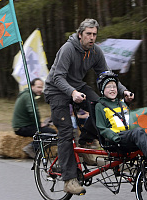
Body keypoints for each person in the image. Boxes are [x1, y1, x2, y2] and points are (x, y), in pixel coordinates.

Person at [44, 18, 134, 195]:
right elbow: (57, 77)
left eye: (94, 34)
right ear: (80, 35)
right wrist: (72, 93)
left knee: (101, 107)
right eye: (88, 34)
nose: (91, 38)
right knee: (66, 130)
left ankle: (85, 145)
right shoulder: (68, 49)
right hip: (56, 91)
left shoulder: (95, 51)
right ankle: (69, 179)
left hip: (77, 86)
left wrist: (123, 91)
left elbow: (106, 76)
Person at [95, 71, 147, 168]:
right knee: (137, 132)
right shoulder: (99, 106)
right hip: (117, 140)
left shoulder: (122, 103)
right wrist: (114, 137)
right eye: (108, 87)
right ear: (102, 89)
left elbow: (130, 119)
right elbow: (102, 128)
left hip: (130, 135)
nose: (112, 89)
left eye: (114, 86)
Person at [12, 78, 57, 158]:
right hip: (23, 127)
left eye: (42, 87)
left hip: (22, 126)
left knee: (45, 129)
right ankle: (32, 147)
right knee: (51, 133)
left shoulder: (26, 94)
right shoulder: (29, 96)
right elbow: (33, 112)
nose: (41, 90)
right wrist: (39, 124)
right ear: (32, 86)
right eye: (38, 87)